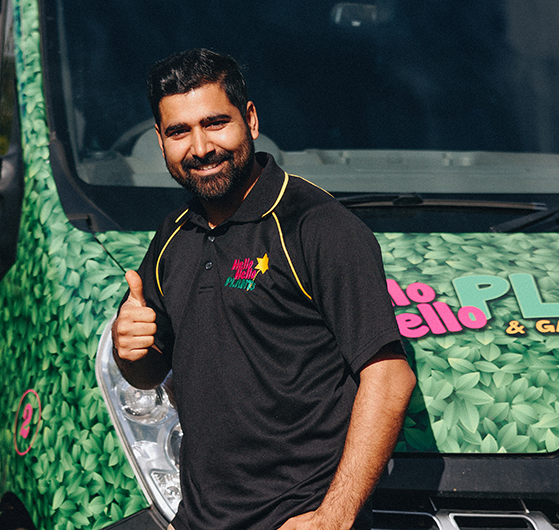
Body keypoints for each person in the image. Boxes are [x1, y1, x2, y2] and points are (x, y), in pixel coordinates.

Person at [112, 48, 416, 530]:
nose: (201, 147)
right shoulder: (175, 234)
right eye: (179, 131)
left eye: (215, 122)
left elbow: (390, 378)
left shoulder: (317, 226)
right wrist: (129, 349)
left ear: (250, 120)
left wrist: (333, 519)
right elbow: (151, 372)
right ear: (160, 139)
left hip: (298, 518)